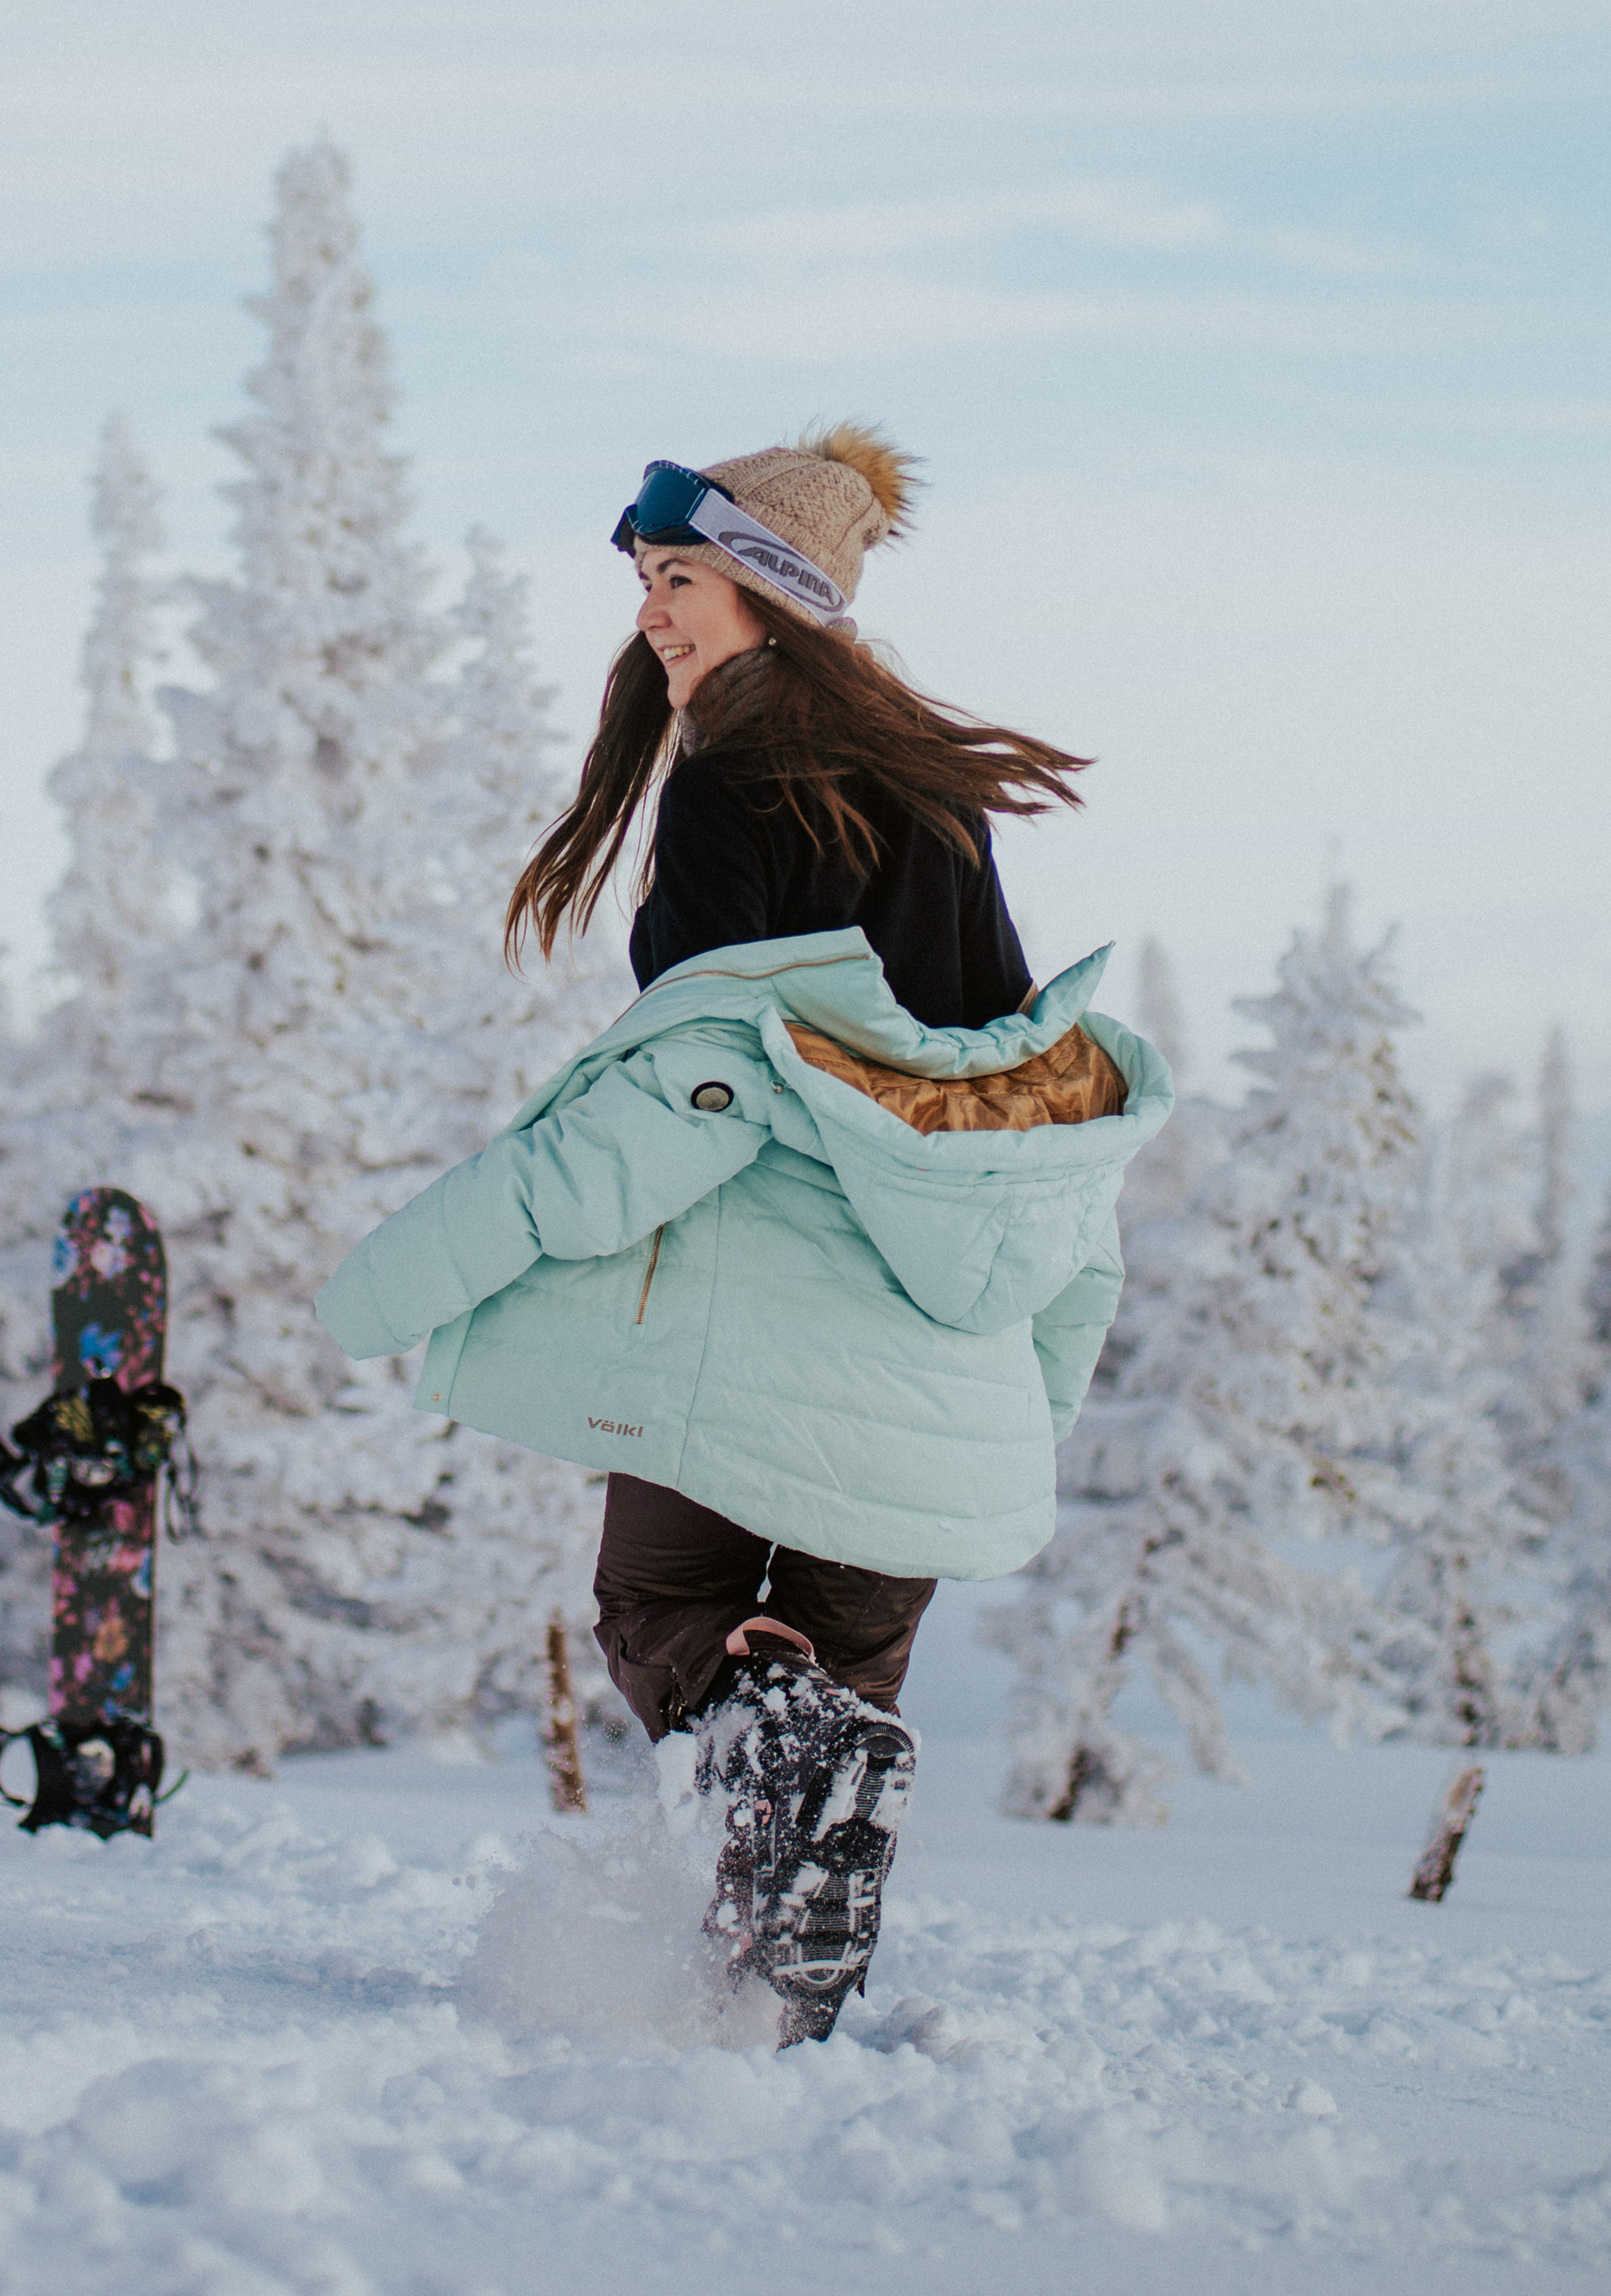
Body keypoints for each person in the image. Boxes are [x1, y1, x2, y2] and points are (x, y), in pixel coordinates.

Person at [317, 425, 1169, 2040]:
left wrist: (398, 1282)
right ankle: (766, 2016)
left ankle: (759, 1837)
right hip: (944, 1348)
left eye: (683, 577)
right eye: (646, 579)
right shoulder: (937, 802)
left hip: (749, 1328)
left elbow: (683, 1100)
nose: (654, 611)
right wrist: (1025, 1403)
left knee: (670, 1620)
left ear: (776, 593)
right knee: (842, 1707)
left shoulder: (737, 787)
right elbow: (1027, 1137)